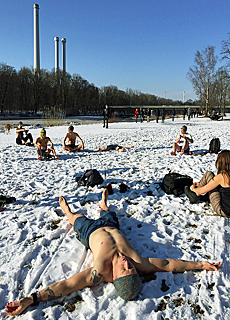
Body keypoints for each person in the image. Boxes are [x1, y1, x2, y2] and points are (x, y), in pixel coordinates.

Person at [5, 189, 221, 316]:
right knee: (108, 212)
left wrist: (30, 299)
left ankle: (67, 211)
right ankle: (103, 203)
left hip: (90, 232)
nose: (128, 264)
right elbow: (168, 264)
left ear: (114, 277)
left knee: (76, 218)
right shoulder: (138, 264)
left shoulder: (99, 272)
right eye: (131, 269)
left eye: (125, 270)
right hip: (111, 226)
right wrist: (201, 265)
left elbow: (66, 285)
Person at [185, 150, 230, 218]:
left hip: (224, 211)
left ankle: (194, 195)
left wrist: (193, 188)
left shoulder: (222, 177)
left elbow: (202, 191)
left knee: (208, 174)